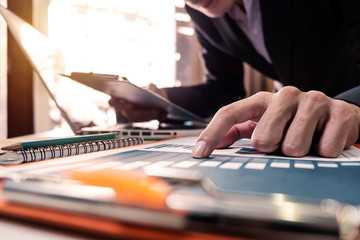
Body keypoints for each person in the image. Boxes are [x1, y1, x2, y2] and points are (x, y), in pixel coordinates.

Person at [110, 0, 360, 159]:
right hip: (294, 142)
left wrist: (352, 107)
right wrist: (160, 99)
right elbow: (222, 88)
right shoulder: (202, 11)